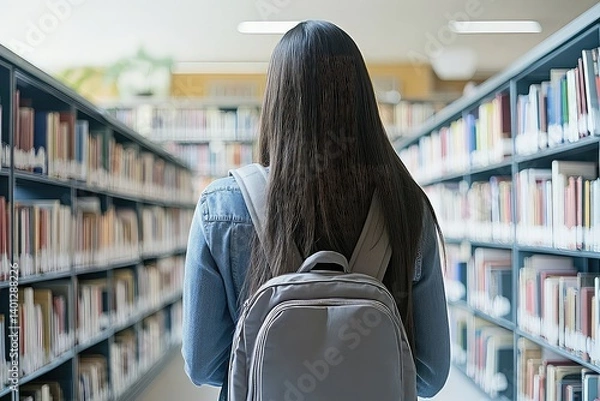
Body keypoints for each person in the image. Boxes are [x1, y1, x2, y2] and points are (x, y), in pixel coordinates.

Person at [181, 19, 451, 401]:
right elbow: (429, 375)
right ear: (361, 102)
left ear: (276, 102)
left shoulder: (222, 206)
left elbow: (203, 364)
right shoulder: (406, 207)